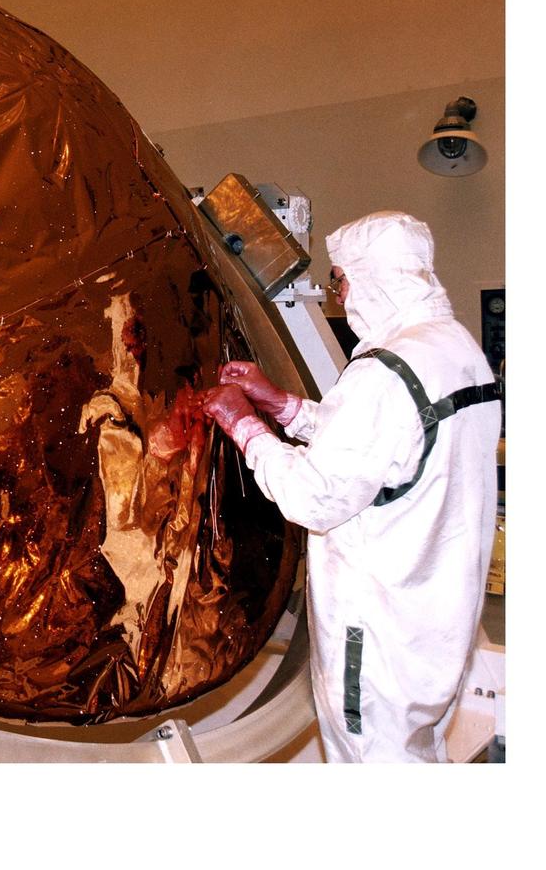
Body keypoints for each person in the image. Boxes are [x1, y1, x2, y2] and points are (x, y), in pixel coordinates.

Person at [201, 211, 501, 762]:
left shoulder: (384, 374)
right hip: (435, 617)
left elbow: (313, 497)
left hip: (380, 628)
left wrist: (243, 426)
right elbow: (384, 448)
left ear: (373, 275)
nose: (338, 294)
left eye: (341, 279)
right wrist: (283, 407)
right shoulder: (454, 349)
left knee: (372, 759)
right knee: (418, 752)